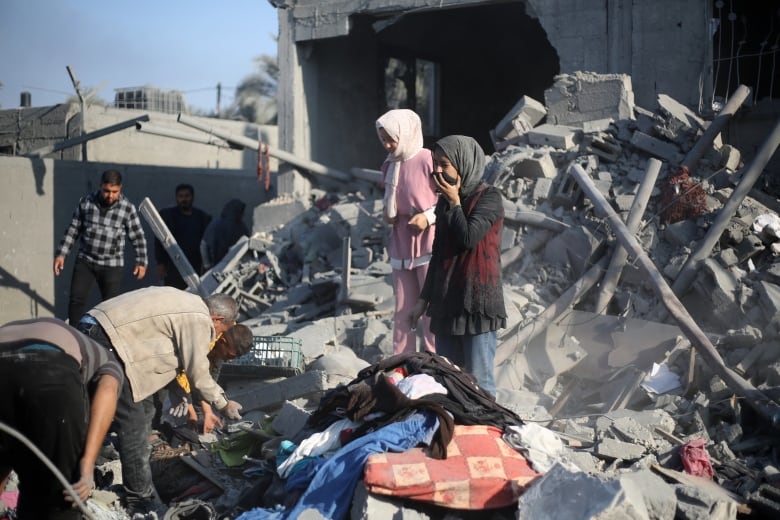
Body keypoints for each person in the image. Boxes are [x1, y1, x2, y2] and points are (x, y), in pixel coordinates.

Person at [75, 287, 243, 516]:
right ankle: (140, 500)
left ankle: (106, 462)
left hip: (96, 327)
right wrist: (224, 404)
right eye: (220, 330)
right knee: (133, 426)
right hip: (108, 339)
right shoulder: (199, 319)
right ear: (217, 318)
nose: (217, 336)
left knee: (137, 411)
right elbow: (198, 373)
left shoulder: (186, 303)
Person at [409, 135, 507, 397]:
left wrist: (454, 203)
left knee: (479, 382)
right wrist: (422, 300)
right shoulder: (444, 203)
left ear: (463, 164)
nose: (438, 171)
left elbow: (468, 239)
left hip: (476, 303)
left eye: (444, 164)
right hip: (446, 304)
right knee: (446, 379)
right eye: (435, 164)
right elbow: (438, 254)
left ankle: (488, 433)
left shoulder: (489, 198)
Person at [0, 317, 123, 519]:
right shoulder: (109, 362)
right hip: (47, 368)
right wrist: (86, 465)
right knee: (61, 498)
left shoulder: (63, 334)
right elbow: (108, 388)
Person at [376, 108, 438, 355]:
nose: (389, 145)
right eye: (384, 140)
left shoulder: (427, 159)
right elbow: (388, 201)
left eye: (392, 138)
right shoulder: (389, 166)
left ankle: (436, 362)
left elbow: (449, 199)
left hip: (429, 243)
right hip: (401, 243)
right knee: (403, 309)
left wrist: (428, 217)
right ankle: (401, 362)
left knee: (431, 308)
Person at [53, 169, 148, 325]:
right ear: (100, 186)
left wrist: (141, 261)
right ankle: (76, 334)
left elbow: (137, 236)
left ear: (120, 189)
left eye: (114, 192)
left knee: (111, 306)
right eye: (106, 191)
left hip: (112, 264)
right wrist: (61, 255)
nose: (110, 196)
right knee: (76, 300)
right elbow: (73, 230)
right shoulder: (86, 203)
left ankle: (108, 340)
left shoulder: (127, 208)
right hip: (86, 260)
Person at [179, 324, 254, 434]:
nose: (230, 361)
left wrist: (208, 412)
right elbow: (183, 378)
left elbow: (208, 385)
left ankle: (200, 424)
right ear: (223, 342)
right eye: (230, 355)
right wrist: (191, 413)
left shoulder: (221, 351)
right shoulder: (201, 342)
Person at [154, 184, 212, 289]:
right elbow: (159, 241)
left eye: (187, 196)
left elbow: (206, 243)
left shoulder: (202, 218)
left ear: (192, 197)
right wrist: (161, 263)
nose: (184, 199)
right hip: (173, 266)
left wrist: (207, 266)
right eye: (180, 196)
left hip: (195, 266)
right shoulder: (169, 216)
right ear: (176, 198)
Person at [200, 198, 250, 271]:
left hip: (232, 268)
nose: (242, 215)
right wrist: (207, 265)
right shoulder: (216, 225)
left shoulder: (241, 227)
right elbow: (204, 245)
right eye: (240, 212)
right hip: (212, 267)